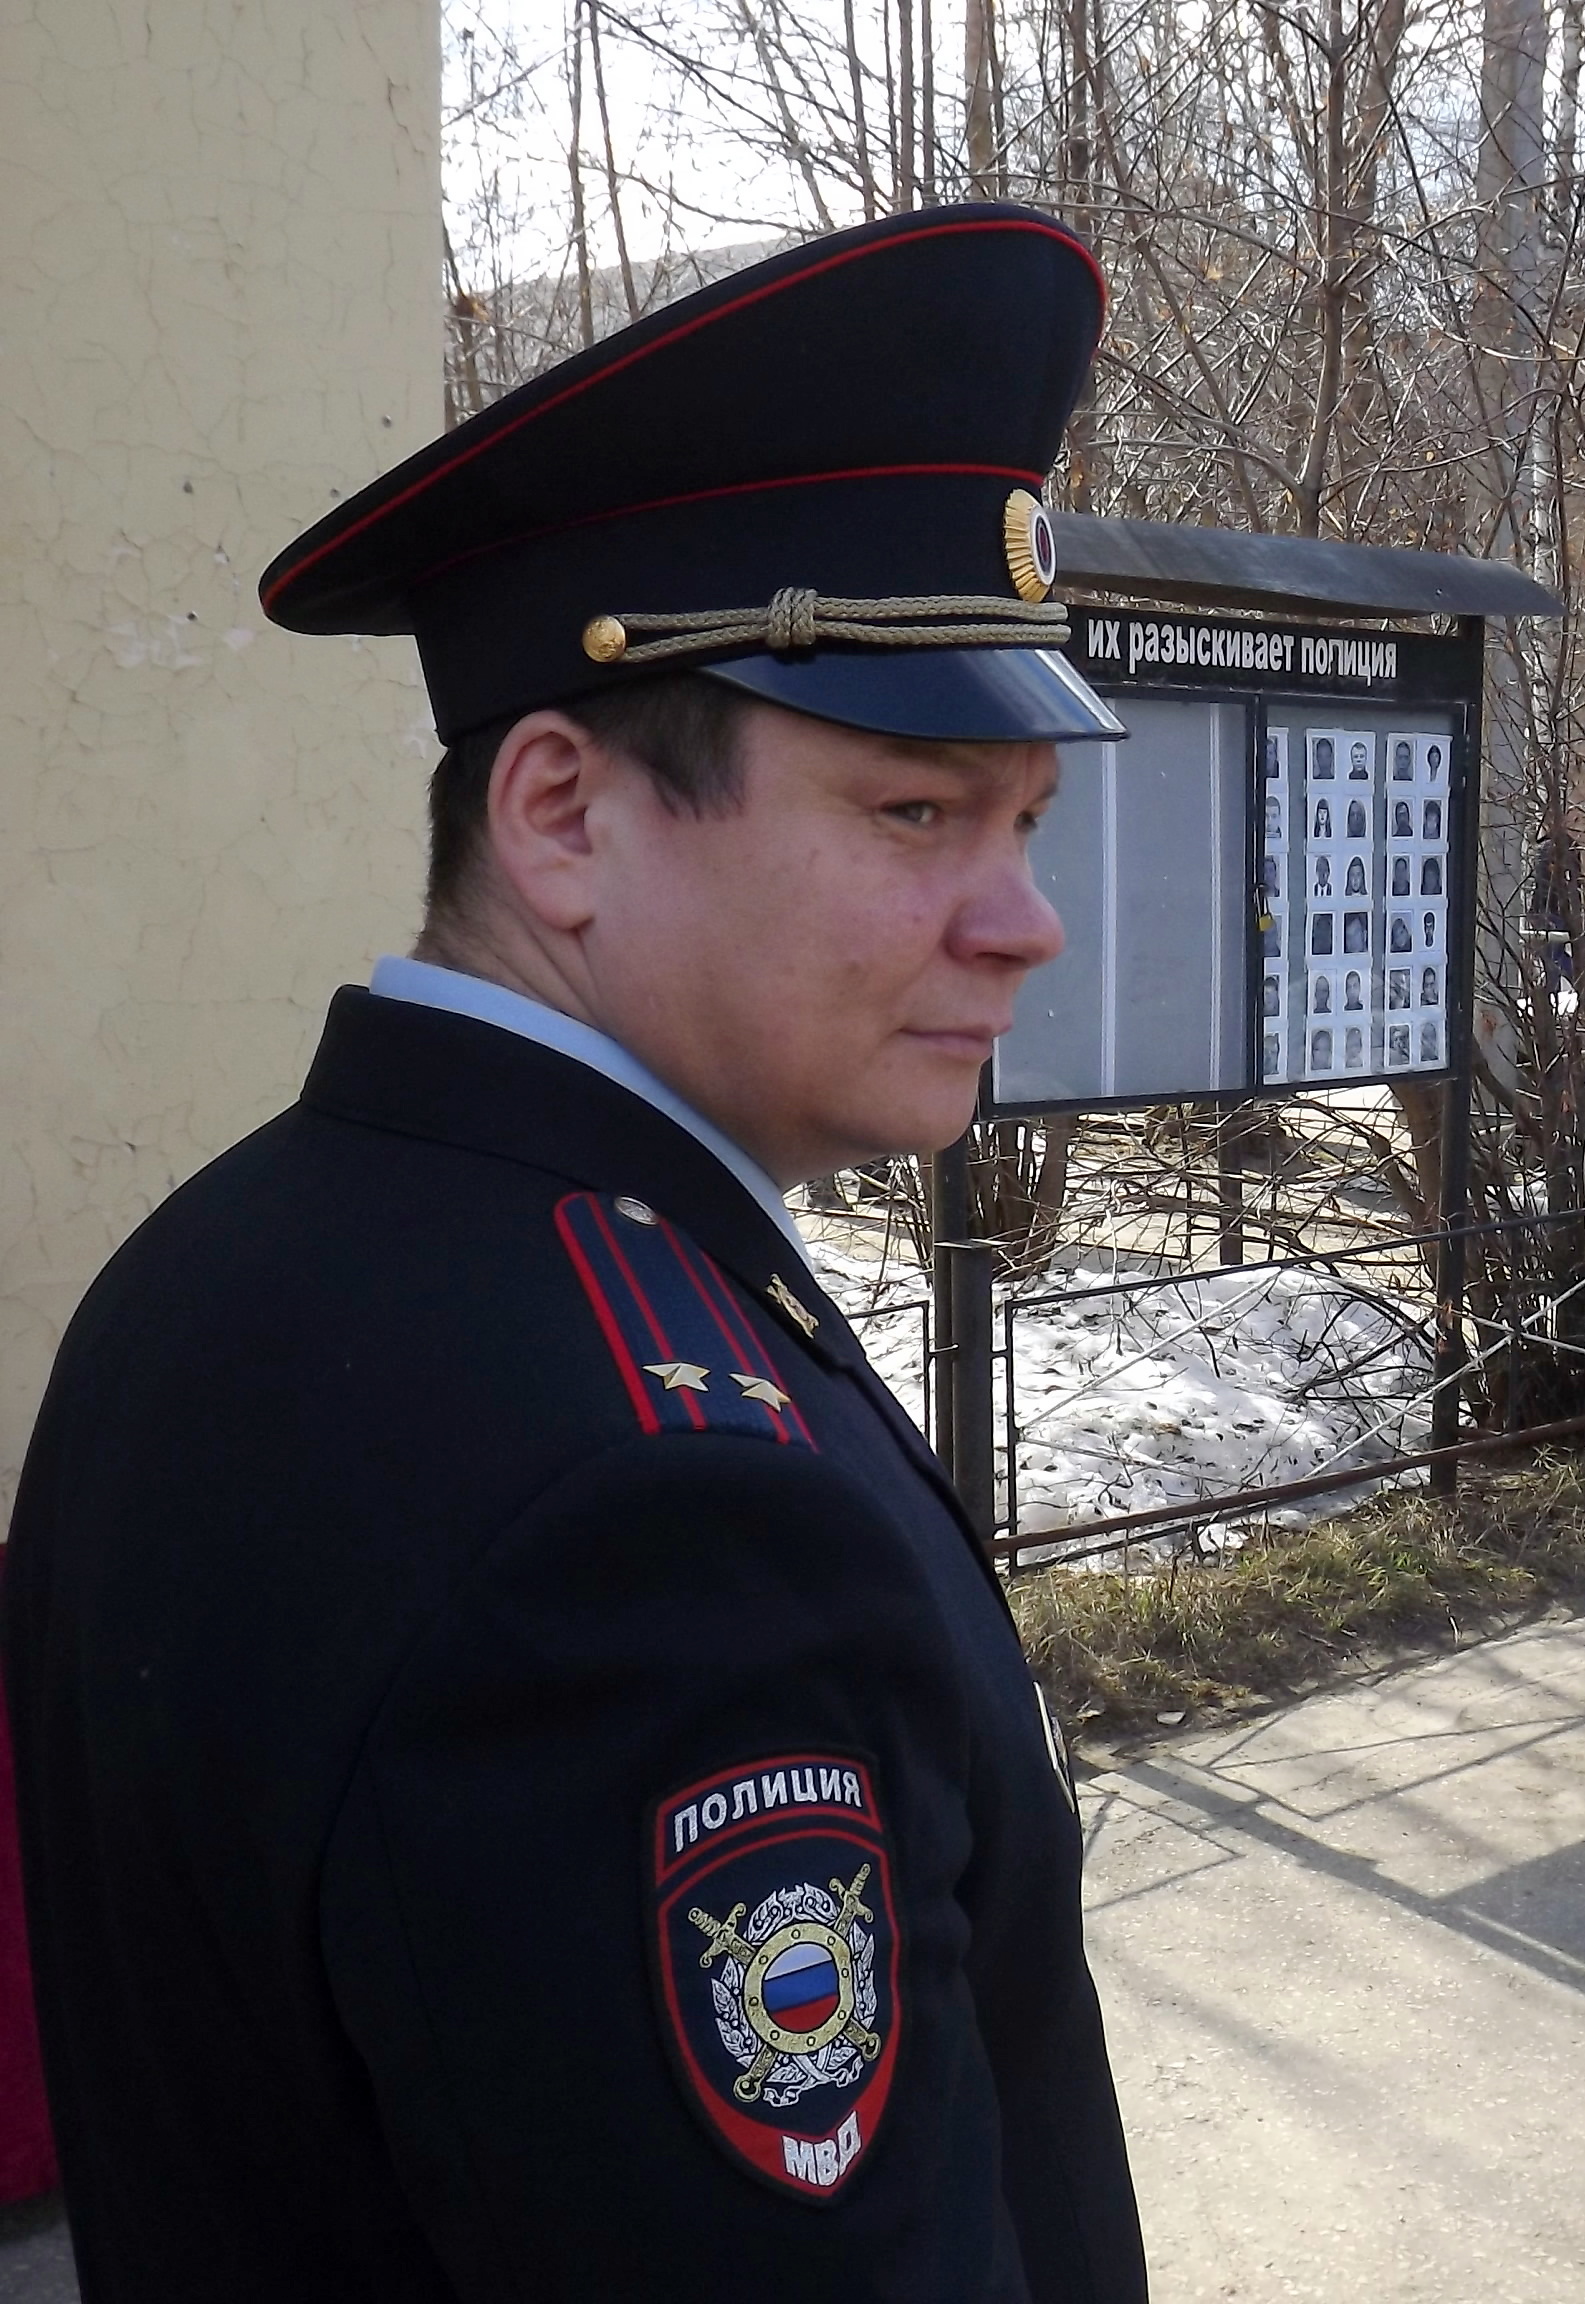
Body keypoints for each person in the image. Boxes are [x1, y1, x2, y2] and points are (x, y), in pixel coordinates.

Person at [4, 207, 1150, 2302]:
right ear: (559, 816)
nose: (1022, 920)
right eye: (916, 814)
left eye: (1025, 827)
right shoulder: (656, 1515)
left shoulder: (222, 1257)